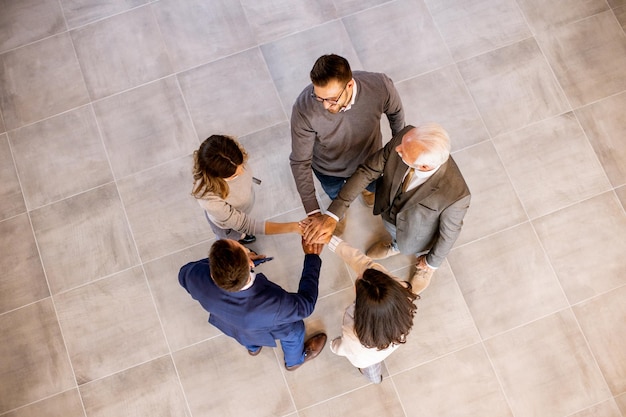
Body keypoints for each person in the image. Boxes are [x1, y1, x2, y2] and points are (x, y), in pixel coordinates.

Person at [303, 123, 471, 294]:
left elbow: (449, 235)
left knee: (418, 251)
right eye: (401, 144)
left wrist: (430, 262)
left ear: (424, 167)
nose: (397, 148)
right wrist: (333, 214)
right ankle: (396, 245)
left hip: (417, 233)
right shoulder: (408, 138)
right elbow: (368, 171)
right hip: (388, 210)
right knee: (393, 230)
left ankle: (424, 269)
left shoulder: (456, 195)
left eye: (403, 153)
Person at [178, 238, 327, 371]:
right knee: (295, 330)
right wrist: (312, 258)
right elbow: (306, 305)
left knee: (245, 335)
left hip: (230, 326)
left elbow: (184, 273)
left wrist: (235, 266)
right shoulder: (276, 304)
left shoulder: (195, 277)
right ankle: (294, 361)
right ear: (250, 262)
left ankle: (253, 348)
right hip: (264, 328)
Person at [290, 54, 405, 222]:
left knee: (372, 186)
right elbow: (300, 161)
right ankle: (339, 214)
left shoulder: (380, 86)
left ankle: (366, 191)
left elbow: (396, 114)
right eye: (319, 97)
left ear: (350, 85)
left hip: (370, 164)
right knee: (335, 195)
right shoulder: (304, 108)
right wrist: (313, 211)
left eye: (332, 99)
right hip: (328, 170)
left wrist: (397, 150)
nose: (324, 106)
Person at [328, 236, 418, 384]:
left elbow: (344, 348)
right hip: (387, 347)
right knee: (373, 368)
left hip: (365, 358)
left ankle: (375, 379)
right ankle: (376, 379)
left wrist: (333, 346)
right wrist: (330, 239)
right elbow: (366, 264)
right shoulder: (399, 291)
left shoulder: (353, 332)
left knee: (369, 368)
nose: (358, 274)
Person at [192, 135, 301, 244]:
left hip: (240, 209)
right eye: (234, 175)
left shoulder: (231, 158)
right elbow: (245, 225)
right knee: (230, 241)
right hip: (226, 227)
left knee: (240, 227)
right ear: (217, 176)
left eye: (242, 164)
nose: (242, 173)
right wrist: (294, 227)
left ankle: (242, 235)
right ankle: (240, 240)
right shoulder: (210, 200)